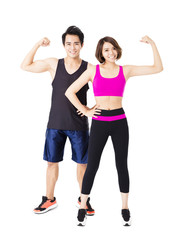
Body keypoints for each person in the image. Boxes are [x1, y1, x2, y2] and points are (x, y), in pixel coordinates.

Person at [65, 35, 163, 226]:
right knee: (92, 166)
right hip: (100, 123)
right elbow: (70, 91)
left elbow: (158, 68)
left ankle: (125, 207)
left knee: (121, 165)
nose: (111, 53)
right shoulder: (93, 70)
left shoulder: (125, 70)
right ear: (101, 53)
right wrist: (86, 110)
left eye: (113, 49)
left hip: (119, 122)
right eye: (106, 50)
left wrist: (153, 43)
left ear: (117, 50)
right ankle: (83, 206)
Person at [20, 26, 95, 215]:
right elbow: (25, 65)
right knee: (51, 163)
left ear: (82, 45)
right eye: (68, 44)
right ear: (64, 45)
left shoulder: (89, 68)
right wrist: (38, 44)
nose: (72, 47)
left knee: (82, 164)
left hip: (78, 126)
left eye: (76, 44)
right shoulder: (54, 64)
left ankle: (84, 200)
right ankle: (49, 199)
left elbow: (104, 88)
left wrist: (91, 109)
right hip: (55, 124)